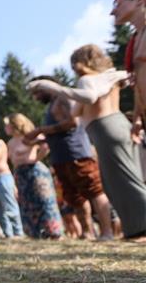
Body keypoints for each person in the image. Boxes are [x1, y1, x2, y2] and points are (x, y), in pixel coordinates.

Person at [29, 45, 146, 241]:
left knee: (124, 182)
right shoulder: (108, 78)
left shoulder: (87, 81)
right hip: (114, 126)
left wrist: (52, 87)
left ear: (79, 63)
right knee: (117, 183)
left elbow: (88, 99)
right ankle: (135, 229)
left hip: (105, 128)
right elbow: (79, 110)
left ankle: (136, 228)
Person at [26, 75, 113, 240]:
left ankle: (107, 231)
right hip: (60, 157)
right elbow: (58, 131)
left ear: (46, 87)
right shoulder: (53, 104)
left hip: (76, 153)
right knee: (75, 197)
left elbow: (72, 123)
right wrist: (39, 139)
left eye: (37, 93)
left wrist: (40, 130)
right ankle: (87, 232)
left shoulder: (64, 98)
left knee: (94, 191)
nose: (35, 98)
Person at [3, 115, 63, 239]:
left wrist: (36, 159)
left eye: (7, 124)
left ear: (16, 124)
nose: (5, 127)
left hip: (35, 171)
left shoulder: (31, 137)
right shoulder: (10, 142)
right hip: (20, 174)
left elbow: (45, 146)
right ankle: (35, 233)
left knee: (44, 201)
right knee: (27, 203)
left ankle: (53, 231)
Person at [111, 0, 146, 141]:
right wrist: (138, 116)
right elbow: (139, 82)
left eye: (117, 4)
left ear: (139, 0)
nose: (112, 12)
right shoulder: (135, 40)